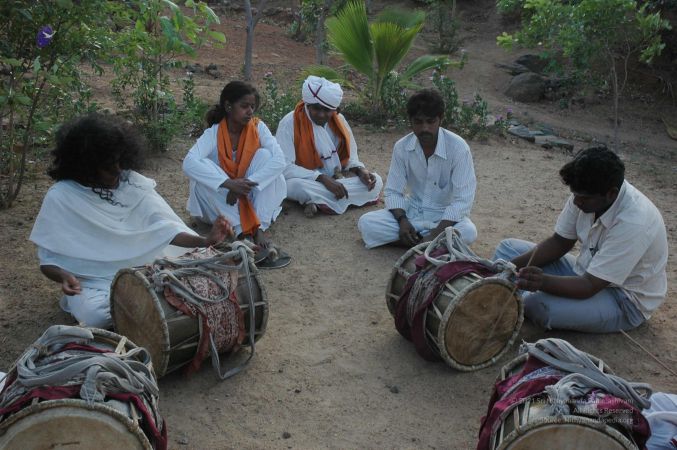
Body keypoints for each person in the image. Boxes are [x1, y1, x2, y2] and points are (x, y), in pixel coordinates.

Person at [30, 113, 232, 329]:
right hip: (96, 282)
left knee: (208, 273)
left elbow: (165, 228)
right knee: (96, 317)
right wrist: (64, 276)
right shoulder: (61, 196)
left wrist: (205, 241)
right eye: (108, 166)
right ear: (85, 166)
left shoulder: (130, 181)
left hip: (149, 266)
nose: (117, 170)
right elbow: (48, 261)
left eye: (119, 162)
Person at [493, 146, 668, 333]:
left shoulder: (634, 221)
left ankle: (515, 295)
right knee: (508, 250)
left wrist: (541, 282)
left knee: (538, 306)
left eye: (583, 198)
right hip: (587, 272)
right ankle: (507, 287)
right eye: (574, 194)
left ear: (611, 193)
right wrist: (504, 270)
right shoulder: (587, 193)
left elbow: (589, 286)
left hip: (622, 299)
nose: (576, 202)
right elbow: (560, 242)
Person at [357, 89, 477, 248]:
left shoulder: (458, 148)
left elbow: (462, 201)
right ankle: (426, 245)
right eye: (418, 122)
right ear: (411, 121)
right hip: (412, 213)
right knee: (367, 223)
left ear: (440, 119)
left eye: (430, 121)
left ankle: (418, 242)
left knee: (468, 231)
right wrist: (402, 221)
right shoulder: (402, 147)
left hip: (443, 218)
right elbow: (393, 191)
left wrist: (436, 233)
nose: (425, 128)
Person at [183, 81, 287, 254]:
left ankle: (257, 227)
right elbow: (188, 163)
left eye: (252, 107)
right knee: (203, 167)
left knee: (266, 156)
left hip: (245, 196)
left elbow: (280, 161)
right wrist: (227, 184)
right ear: (229, 106)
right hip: (219, 204)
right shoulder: (213, 133)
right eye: (244, 106)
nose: (250, 111)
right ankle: (240, 232)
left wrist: (241, 185)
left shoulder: (258, 127)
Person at [275, 75, 382, 217]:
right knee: (291, 186)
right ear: (307, 104)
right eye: (316, 109)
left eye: (327, 110)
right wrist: (322, 178)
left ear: (335, 110)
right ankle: (321, 198)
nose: (321, 114)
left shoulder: (339, 121)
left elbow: (350, 156)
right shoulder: (289, 123)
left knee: (376, 181)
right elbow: (284, 168)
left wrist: (360, 170)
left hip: (337, 179)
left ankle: (317, 201)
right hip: (307, 180)